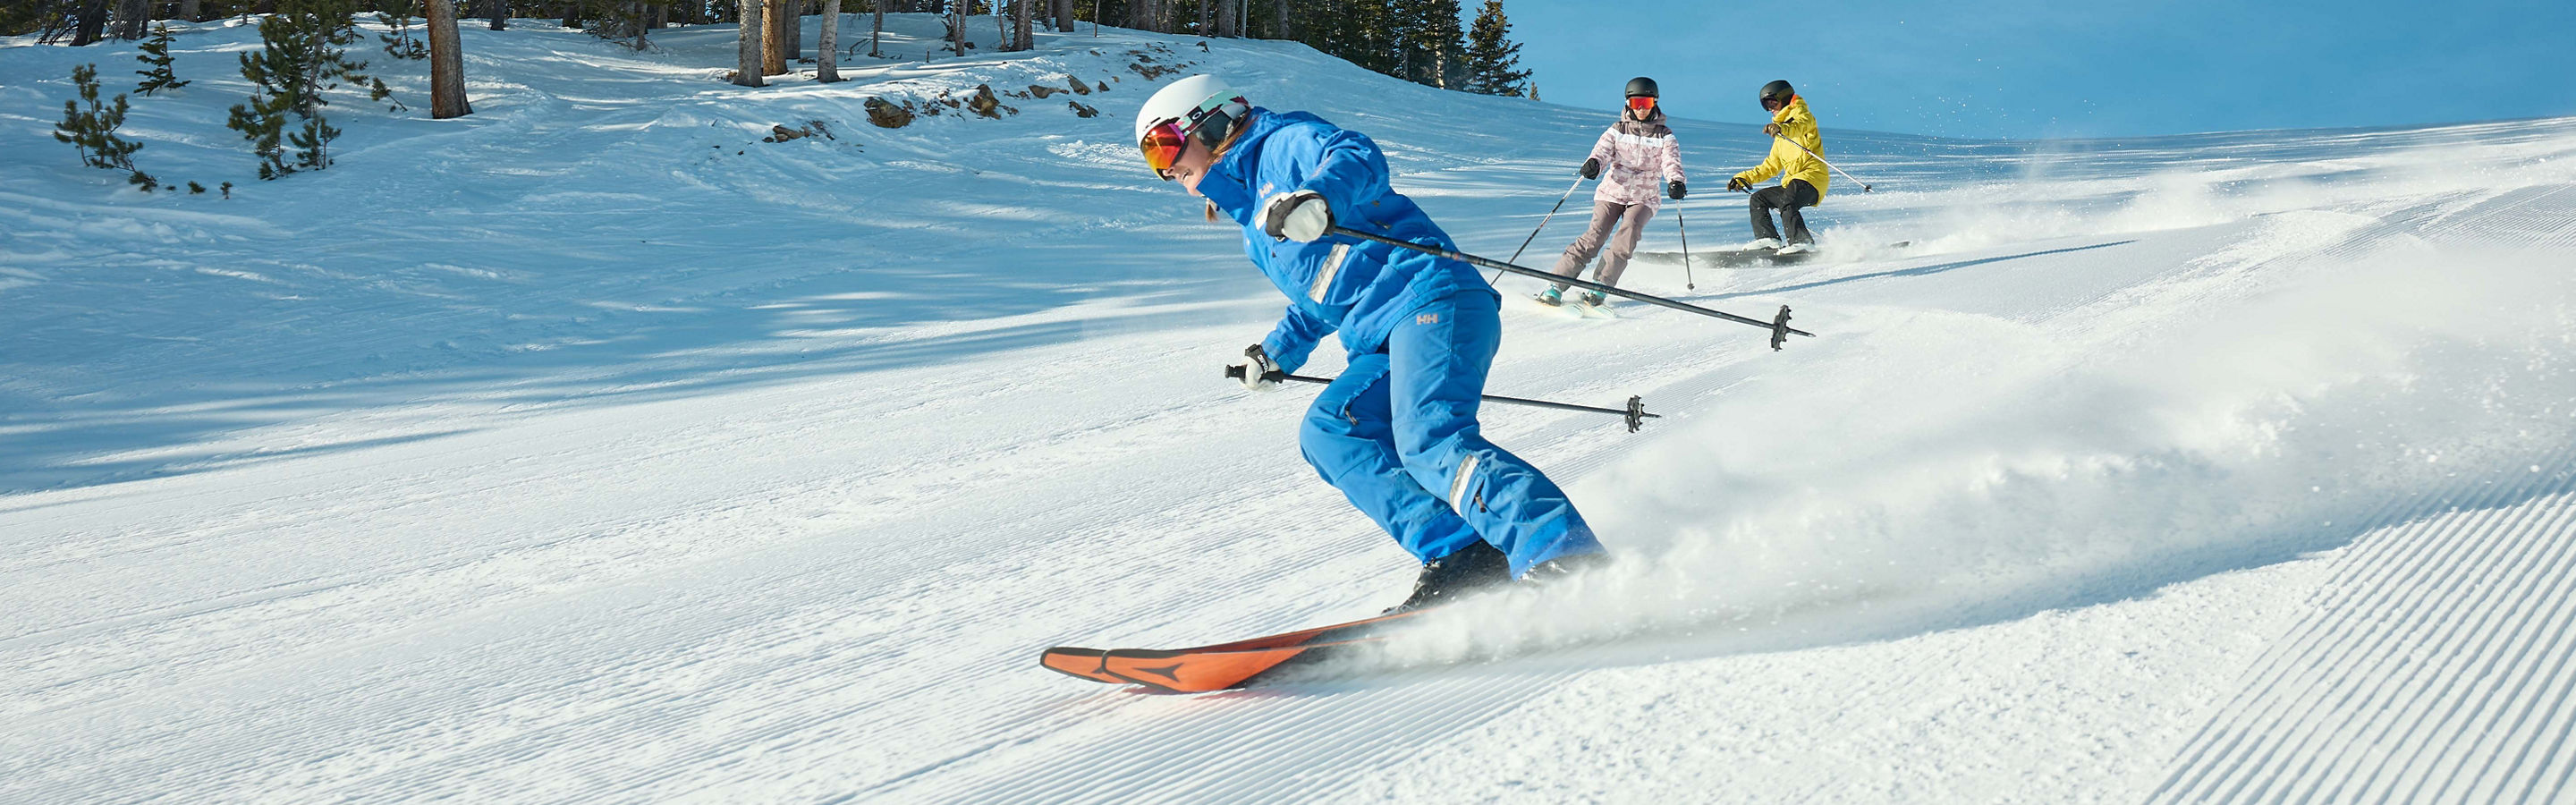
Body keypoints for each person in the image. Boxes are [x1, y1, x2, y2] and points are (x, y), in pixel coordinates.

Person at [1131, 74, 1608, 612]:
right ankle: (1464, 556)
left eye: (1164, 145)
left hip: (1433, 297)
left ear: (1209, 121)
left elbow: (1357, 154)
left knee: (1428, 438)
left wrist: (1320, 195)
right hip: (1378, 337)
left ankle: (1562, 553)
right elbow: (1320, 297)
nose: (1165, 167)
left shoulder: (1281, 143)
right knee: (1331, 431)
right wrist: (1274, 352)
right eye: (1152, 158)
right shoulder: (1255, 230)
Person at [1538, 76, 1687, 309]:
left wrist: (1676, 181)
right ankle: (1556, 286)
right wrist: (1594, 163)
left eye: (1645, 103)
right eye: (1636, 102)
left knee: (1626, 238)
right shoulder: (1617, 130)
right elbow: (1602, 151)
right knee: (1593, 238)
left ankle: (1600, 286)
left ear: (1654, 104)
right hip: (1612, 192)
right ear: (1628, 103)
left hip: (1644, 197)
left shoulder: (1664, 135)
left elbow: (1671, 162)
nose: (1640, 109)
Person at [1725, 80, 1829, 255]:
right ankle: (1768, 239)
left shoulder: (1805, 118)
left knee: (1788, 200)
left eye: (1772, 102)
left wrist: (1782, 128)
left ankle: (1802, 242)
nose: (1769, 108)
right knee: (1759, 198)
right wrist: (1744, 177)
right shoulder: (1781, 138)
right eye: (1765, 105)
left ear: (1785, 98)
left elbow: (1799, 126)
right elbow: (1770, 167)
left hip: (1812, 178)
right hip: (1793, 183)